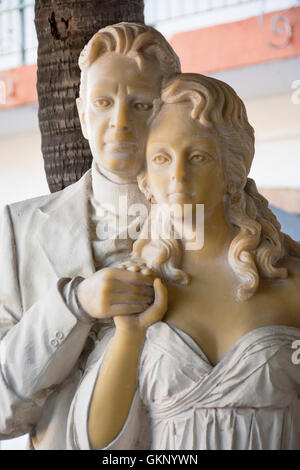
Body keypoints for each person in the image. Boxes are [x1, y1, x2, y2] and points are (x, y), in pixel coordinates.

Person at [67, 73, 300, 450]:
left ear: (231, 171)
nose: (177, 176)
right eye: (161, 158)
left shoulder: (290, 281)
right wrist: (130, 334)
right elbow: (99, 444)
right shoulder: (139, 286)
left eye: (198, 157)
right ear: (145, 179)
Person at [0, 22, 180, 450]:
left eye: (141, 105)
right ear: (82, 115)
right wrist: (74, 306)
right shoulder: (17, 230)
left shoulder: (210, 225)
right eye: (103, 102)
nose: (119, 123)